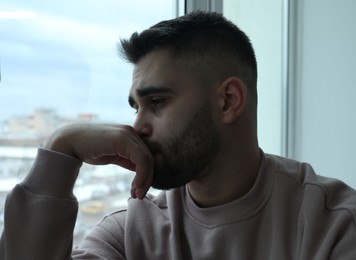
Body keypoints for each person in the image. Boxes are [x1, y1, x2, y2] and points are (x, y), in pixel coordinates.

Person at [1, 11, 356, 260]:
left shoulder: (333, 225)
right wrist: (60, 148)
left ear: (228, 101)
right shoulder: (129, 234)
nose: (137, 126)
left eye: (156, 102)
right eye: (135, 107)